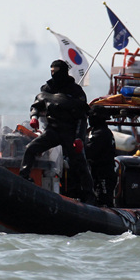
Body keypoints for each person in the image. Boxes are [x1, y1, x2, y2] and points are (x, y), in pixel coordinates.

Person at [19, 59, 96, 204]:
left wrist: (79, 138)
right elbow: (36, 105)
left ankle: (89, 195)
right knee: (31, 148)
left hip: (70, 133)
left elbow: (82, 117)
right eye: (51, 72)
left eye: (56, 72)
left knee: (80, 163)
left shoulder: (76, 91)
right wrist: (34, 117)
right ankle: (24, 178)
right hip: (52, 130)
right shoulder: (47, 88)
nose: (53, 75)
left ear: (64, 72)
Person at [85, 106, 116, 207]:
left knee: (103, 201)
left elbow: (89, 151)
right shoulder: (101, 132)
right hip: (100, 173)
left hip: (103, 175)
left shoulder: (101, 133)